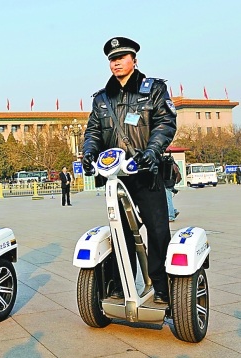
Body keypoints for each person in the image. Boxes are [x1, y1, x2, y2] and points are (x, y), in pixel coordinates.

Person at [82, 37, 177, 304]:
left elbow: (165, 123)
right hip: (116, 179)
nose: (117, 62)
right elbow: (93, 132)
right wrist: (88, 152)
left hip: (146, 174)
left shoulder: (154, 89)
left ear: (134, 60)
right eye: (113, 59)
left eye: (122, 57)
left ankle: (162, 287)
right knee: (119, 233)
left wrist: (152, 151)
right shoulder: (102, 99)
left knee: (158, 232)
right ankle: (121, 286)